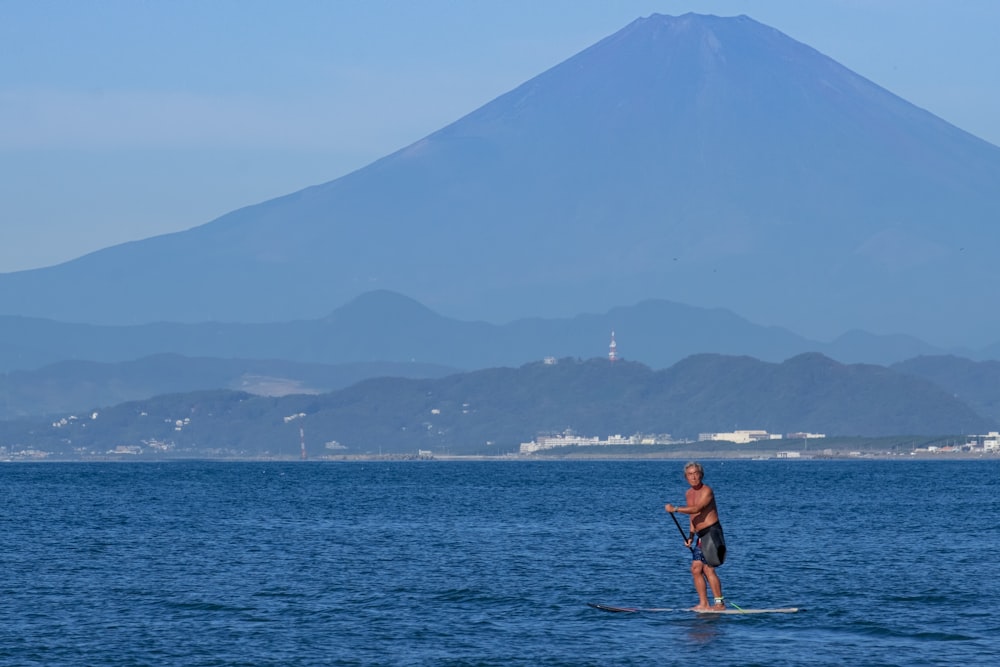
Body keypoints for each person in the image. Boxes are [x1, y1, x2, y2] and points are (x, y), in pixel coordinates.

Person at [665, 461, 727, 611]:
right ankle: (703, 604)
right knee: (695, 569)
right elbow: (693, 517)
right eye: (690, 474)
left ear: (701, 475)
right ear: (686, 477)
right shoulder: (688, 493)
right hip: (700, 535)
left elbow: (697, 508)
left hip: (712, 533)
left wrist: (676, 509)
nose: (693, 477)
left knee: (708, 569)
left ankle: (719, 604)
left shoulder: (707, 491)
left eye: (695, 473)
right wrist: (691, 536)